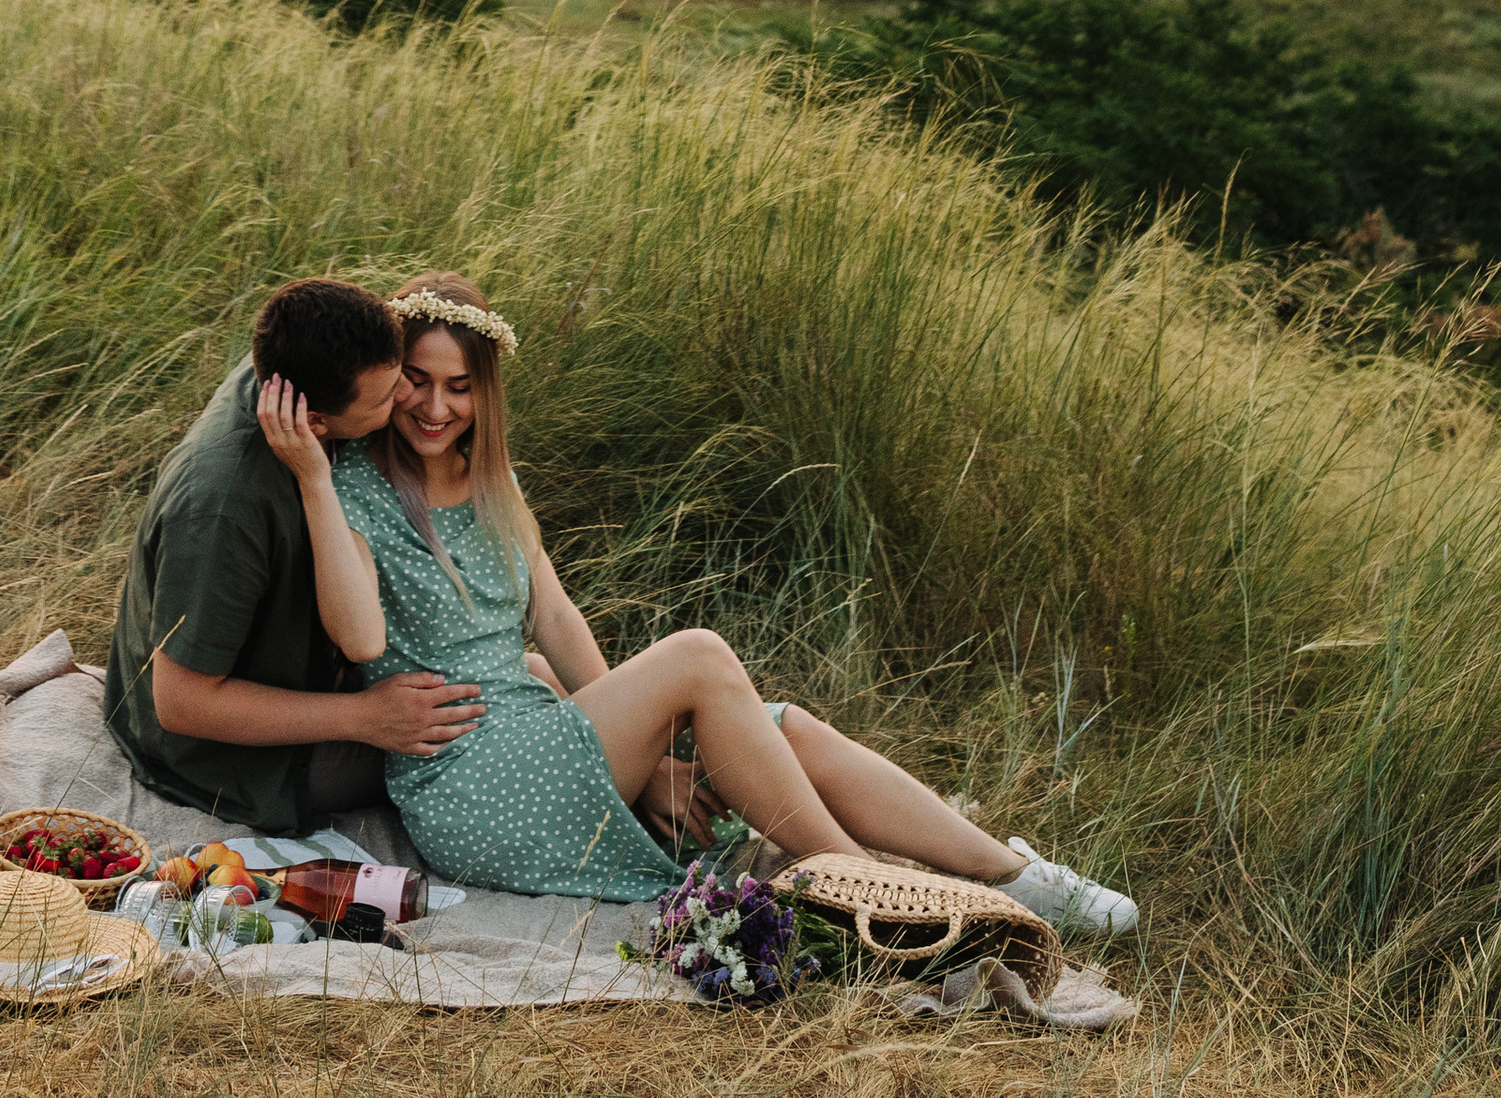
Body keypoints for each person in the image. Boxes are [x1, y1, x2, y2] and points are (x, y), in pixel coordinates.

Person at [257, 272, 1136, 939]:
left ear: (486, 389)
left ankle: (1009, 874)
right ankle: (867, 885)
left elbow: (555, 623)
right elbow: (361, 634)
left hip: (530, 738)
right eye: (416, 380)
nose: (436, 406)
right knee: (700, 657)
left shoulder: (491, 480)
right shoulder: (354, 489)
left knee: (777, 725)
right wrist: (311, 480)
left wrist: (647, 759)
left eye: (459, 386)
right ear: (385, 378)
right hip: (470, 784)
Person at [104, 275, 486, 832]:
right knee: (484, 720)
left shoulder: (301, 366)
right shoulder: (222, 508)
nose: (405, 397)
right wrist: (364, 718)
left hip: (308, 668)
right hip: (226, 757)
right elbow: (182, 703)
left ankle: (653, 777)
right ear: (312, 422)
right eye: (387, 396)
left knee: (524, 675)